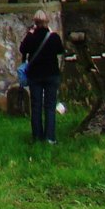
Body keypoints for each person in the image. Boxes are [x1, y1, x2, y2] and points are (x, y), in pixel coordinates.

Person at [18, 9, 64, 143]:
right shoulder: (53, 37)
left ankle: (37, 136)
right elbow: (60, 50)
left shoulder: (31, 37)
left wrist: (30, 34)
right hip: (51, 75)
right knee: (50, 107)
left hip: (35, 76)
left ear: (35, 22)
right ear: (47, 22)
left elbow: (23, 49)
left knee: (36, 107)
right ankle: (50, 137)